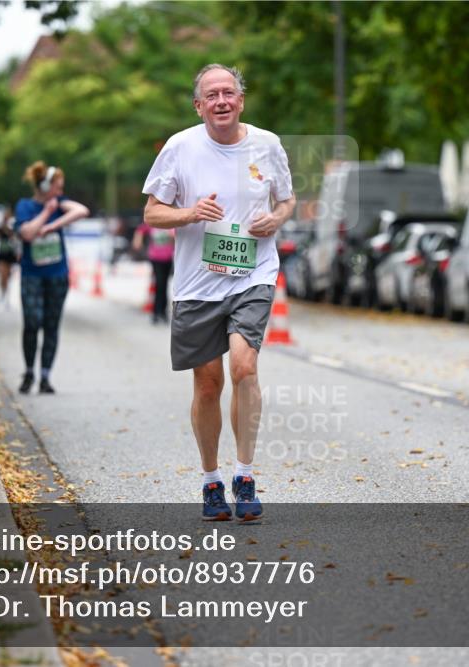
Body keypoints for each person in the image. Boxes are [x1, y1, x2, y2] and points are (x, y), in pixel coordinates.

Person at [142, 64, 296, 521]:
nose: (222, 101)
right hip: (197, 283)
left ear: (241, 101)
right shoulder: (180, 147)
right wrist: (190, 213)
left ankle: (244, 476)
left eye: (229, 93)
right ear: (199, 106)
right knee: (208, 384)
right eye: (212, 95)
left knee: (244, 368)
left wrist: (276, 218)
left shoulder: (267, 145)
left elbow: (287, 199)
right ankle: (211, 480)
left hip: (253, 274)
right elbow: (152, 213)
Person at [14, 162, 89, 394]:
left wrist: (53, 225)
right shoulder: (25, 206)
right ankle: (29, 371)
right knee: (32, 322)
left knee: (51, 325)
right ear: (45, 186)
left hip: (57, 275)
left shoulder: (60, 204)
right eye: (57, 187)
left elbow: (82, 211)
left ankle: (45, 376)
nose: (60, 191)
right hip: (32, 275)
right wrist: (46, 213)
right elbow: (27, 233)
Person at [132, 222, 175, 324]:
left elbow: (175, 236)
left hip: (168, 258)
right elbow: (140, 230)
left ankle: (162, 312)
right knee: (159, 284)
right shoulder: (154, 222)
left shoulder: (171, 224)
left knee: (164, 284)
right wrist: (138, 241)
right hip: (156, 258)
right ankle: (157, 312)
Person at [0, 209, 19, 309]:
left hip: (10, 255)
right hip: (2, 255)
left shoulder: (12, 228)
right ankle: (2, 293)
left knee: (8, 278)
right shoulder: (0, 229)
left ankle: (6, 298)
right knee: (2, 276)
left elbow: (16, 239)